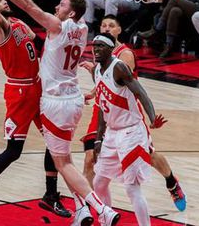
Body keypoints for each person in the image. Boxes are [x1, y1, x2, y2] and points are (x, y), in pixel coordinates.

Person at [0, 0, 121, 226]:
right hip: (62, 97)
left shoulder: (55, 26)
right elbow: (76, 5)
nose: (56, 7)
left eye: (62, 6)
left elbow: (29, 6)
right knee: (58, 155)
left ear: (70, 14)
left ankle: (98, 209)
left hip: (52, 100)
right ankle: (77, 207)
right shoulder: (83, 27)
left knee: (62, 161)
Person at [0, 0, 71, 220]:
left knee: (54, 144)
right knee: (14, 151)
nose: (2, 2)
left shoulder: (21, 24)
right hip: (19, 91)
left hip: (38, 88)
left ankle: (50, 195)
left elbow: (39, 46)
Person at [80, 16, 187, 212]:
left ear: (119, 29)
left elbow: (118, 85)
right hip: (103, 110)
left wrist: (152, 116)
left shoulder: (125, 55)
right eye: (103, 25)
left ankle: (171, 181)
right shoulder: (100, 53)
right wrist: (93, 86)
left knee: (149, 155)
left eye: (111, 25)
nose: (107, 28)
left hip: (125, 112)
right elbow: (103, 81)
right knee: (89, 158)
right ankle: (92, 208)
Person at [91, 33, 167, 226]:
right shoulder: (96, 71)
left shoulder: (119, 67)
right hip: (112, 133)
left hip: (131, 132)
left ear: (110, 49)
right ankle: (107, 221)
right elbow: (102, 106)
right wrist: (99, 138)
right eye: (94, 45)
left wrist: (152, 118)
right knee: (99, 183)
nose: (96, 49)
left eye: (101, 46)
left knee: (131, 188)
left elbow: (141, 93)